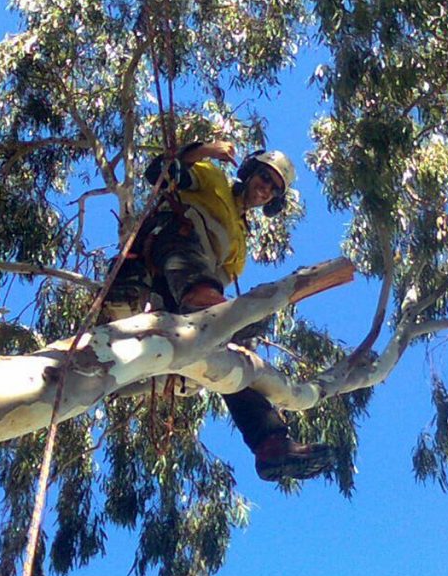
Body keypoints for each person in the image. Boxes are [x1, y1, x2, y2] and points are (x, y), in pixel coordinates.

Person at [102, 140, 335, 482]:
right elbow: (160, 172)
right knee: (196, 264)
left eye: (274, 188)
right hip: (170, 246)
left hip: (179, 293)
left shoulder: (241, 240)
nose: (265, 189)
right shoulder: (213, 180)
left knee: (235, 360)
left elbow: (222, 278)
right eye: (264, 177)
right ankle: (209, 311)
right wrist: (206, 150)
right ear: (250, 172)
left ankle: (271, 443)